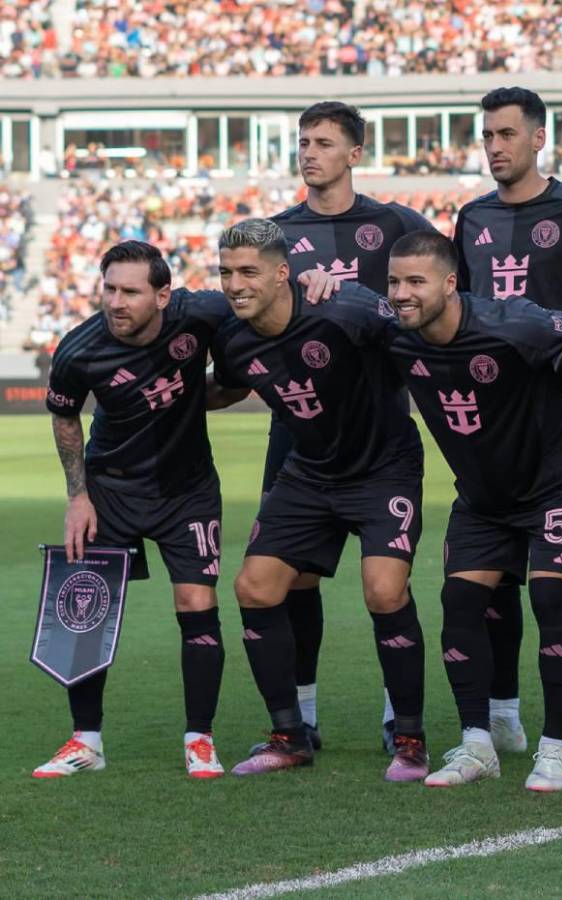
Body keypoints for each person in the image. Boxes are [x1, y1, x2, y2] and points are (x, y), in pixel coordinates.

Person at [452, 86, 562, 768]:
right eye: (487, 136)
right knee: (490, 569)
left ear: (537, 138)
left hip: (558, 415)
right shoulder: (471, 218)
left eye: (506, 134)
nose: (495, 146)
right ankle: (501, 720)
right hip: (488, 421)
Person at [209, 219, 427, 781]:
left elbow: (415, 335)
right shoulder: (233, 338)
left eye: (249, 272)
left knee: (384, 591)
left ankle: (409, 737)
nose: (235, 284)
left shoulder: (346, 309)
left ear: (284, 274)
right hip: (308, 472)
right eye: (227, 272)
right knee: (254, 586)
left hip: (383, 469)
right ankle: (290, 736)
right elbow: (229, 384)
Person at [383, 231, 562, 791]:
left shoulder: (513, 324)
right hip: (483, 495)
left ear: (451, 284)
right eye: (394, 281)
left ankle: (556, 750)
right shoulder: (395, 334)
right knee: (459, 600)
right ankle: (477, 743)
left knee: (551, 596)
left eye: (415, 281)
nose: (401, 293)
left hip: (556, 484)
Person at [266, 101, 437, 751]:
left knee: (384, 583)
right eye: (304, 141)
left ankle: (401, 715)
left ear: (355, 154)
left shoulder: (396, 224)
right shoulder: (275, 233)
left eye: (324, 143)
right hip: (299, 432)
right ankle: (302, 716)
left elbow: (440, 297)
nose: (310, 153)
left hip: (379, 429)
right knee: (292, 579)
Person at [36, 241, 231, 779]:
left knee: (197, 604)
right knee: (83, 611)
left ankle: (200, 740)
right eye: (109, 289)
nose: (115, 302)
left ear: (163, 295)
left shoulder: (202, 313)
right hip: (110, 491)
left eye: (129, 291)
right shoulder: (79, 350)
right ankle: (85, 740)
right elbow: (66, 417)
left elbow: (254, 309)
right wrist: (78, 496)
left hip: (187, 489)